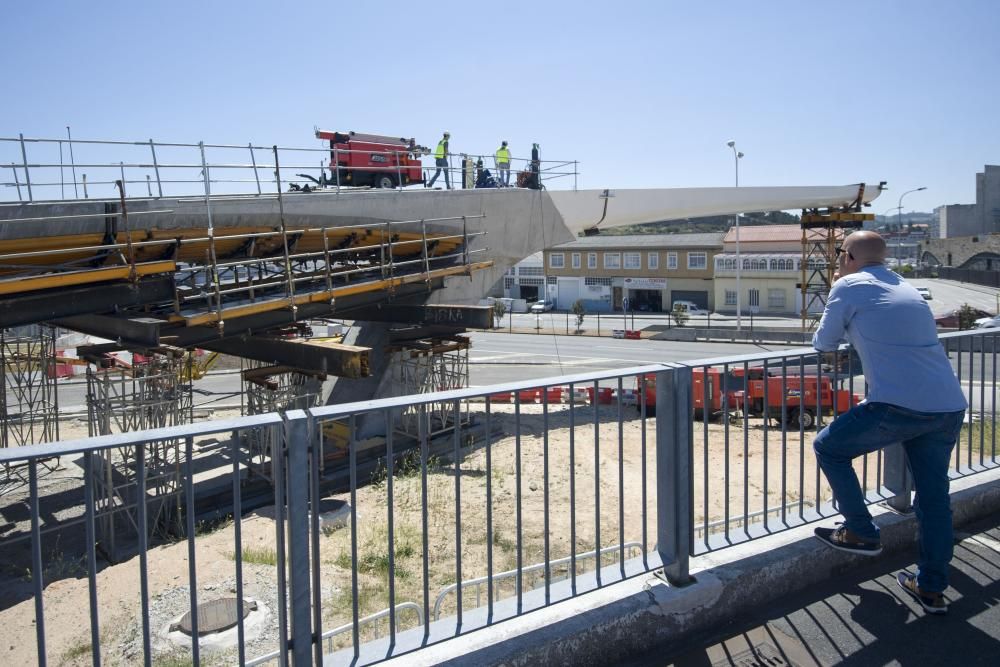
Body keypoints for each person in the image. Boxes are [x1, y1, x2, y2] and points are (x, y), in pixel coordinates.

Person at [811, 230, 967, 615]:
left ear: (846, 256)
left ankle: (861, 531)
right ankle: (931, 588)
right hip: (946, 405)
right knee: (933, 499)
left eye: (839, 253)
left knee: (828, 447)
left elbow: (823, 343)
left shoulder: (848, 286)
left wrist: (839, 291)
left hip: (898, 405)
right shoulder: (907, 286)